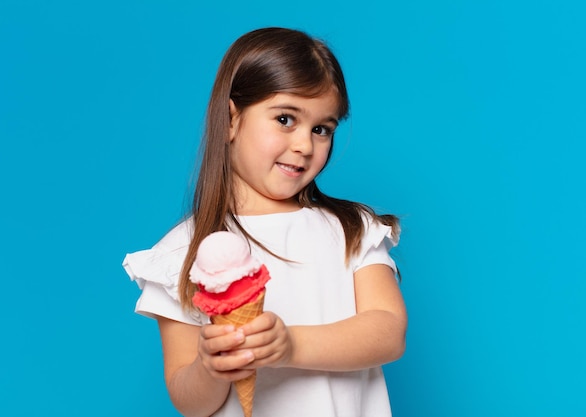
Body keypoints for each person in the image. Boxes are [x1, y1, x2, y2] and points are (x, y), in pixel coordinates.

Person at [123, 27, 407, 417]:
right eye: (286, 119)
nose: (305, 145)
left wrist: (290, 345)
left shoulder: (351, 229)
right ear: (230, 120)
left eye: (321, 129)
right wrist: (210, 367)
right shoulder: (179, 252)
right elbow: (189, 401)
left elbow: (388, 331)